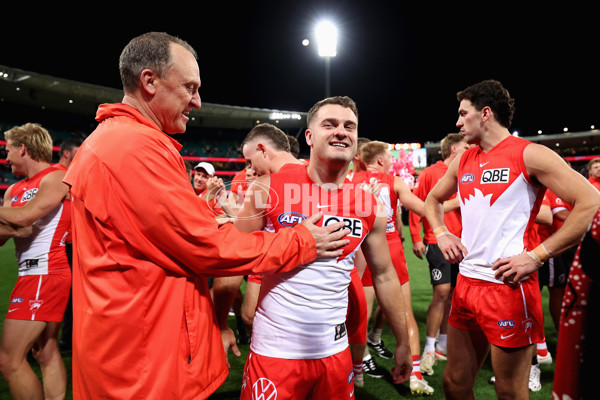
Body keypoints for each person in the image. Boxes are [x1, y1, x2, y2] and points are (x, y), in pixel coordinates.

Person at [62, 32, 350, 400]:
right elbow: (206, 247)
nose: (197, 101)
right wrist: (302, 241)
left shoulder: (124, 140)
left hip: (140, 346)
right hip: (144, 363)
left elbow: (176, 234)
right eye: (189, 87)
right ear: (149, 81)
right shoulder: (131, 147)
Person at [425, 79, 600, 399]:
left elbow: (590, 202)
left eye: (463, 114)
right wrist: (441, 232)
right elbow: (432, 200)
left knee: (509, 392)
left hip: (507, 287)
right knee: (453, 384)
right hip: (465, 284)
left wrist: (536, 256)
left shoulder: (530, 155)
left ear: (485, 114)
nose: (458, 122)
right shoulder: (464, 159)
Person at [236, 97, 413, 399]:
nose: (341, 132)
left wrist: (405, 340)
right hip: (275, 352)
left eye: (349, 126)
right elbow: (230, 253)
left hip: (335, 352)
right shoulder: (268, 187)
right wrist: (220, 323)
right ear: (309, 136)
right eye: (329, 125)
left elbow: (384, 275)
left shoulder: (367, 203)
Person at [352, 140, 436, 395]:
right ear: (379, 161)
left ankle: (355, 372)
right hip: (389, 249)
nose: (392, 161)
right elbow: (421, 209)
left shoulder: (348, 181)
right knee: (404, 312)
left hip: (360, 250)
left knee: (358, 315)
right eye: (389, 157)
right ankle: (416, 373)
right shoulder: (393, 182)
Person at [0, 123, 71, 400]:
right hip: (31, 273)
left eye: (8, 150)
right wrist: (14, 222)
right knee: (45, 350)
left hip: (46, 270)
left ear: (23, 148)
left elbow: (25, 219)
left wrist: (13, 220)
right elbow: (13, 231)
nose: (6, 158)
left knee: (9, 360)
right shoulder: (13, 190)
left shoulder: (57, 176)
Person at [408, 133, 467, 374]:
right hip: (437, 239)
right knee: (442, 292)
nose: (469, 149)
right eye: (465, 146)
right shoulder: (431, 173)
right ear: (453, 148)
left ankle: (443, 344)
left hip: (464, 241)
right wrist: (415, 237)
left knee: (454, 294)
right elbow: (415, 205)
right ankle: (429, 348)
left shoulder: (467, 170)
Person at [54, 137, 81, 351]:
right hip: (61, 246)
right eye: (76, 152)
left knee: (72, 295)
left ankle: (67, 338)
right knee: (60, 294)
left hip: (75, 245)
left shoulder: (72, 176)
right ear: (66, 154)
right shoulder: (56, 177)